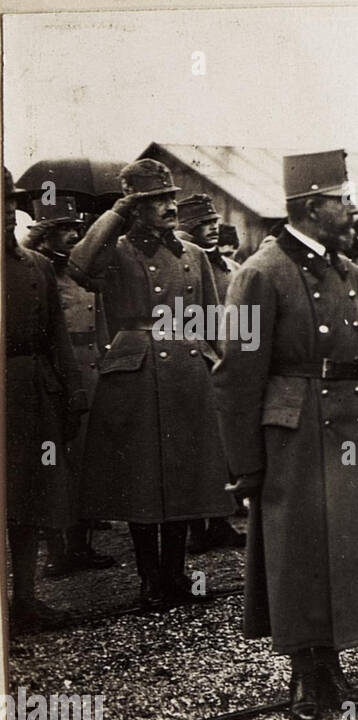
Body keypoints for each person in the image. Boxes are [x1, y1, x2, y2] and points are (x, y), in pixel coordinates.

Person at [212, 149, 358, 720]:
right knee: (298, 550)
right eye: (343, 200)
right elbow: (237, 374)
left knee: (342, 547)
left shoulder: (350, 271)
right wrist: (246, 463)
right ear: (312, 207)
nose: (353, 209)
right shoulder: (260, 273)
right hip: (292, 430)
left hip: (345, 423)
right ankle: (305, 673)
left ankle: (332, 662)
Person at [67, 158, 232, 612]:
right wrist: (115, 214)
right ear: (135, 207)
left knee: (183, 475)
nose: (169, 207)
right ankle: (150, 579)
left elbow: (211, 319)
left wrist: (219, 368)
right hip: (137, 373)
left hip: (186, 369)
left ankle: (176, 574)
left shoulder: (193, 254)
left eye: (169, 198)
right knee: (141, 479)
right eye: (155, 200)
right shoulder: (117, 250)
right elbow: (80, 266)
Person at [4, 167, 89, 629]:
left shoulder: (36, 266)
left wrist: (73, 391)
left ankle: (26, 599)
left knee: (31, 498)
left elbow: (57, 336)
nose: (6, 212)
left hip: (36, 392)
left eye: (9, 204)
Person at [22, 192, 115, 576]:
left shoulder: (85, 270)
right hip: (58, 377)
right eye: (64, 230)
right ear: (45, 234)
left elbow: (101, 325)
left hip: (91, 375)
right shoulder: (38, 272)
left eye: (77, 228)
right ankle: (56, 552)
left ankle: (79, 545)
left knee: (86, 464)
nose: (74, 236)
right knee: (54, 465)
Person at [177, 191, 247, 555]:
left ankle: (220, 521)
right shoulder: (184, 265)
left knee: (223, 449)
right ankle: (196, 527)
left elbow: (245, 320)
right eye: (204, 224)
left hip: (229, 364)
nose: (212, 229)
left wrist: (244, 356)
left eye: (214, 222)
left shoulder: (232, 268)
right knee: (196, 449)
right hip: (198, 362)